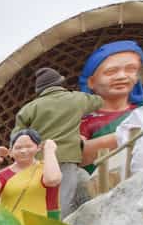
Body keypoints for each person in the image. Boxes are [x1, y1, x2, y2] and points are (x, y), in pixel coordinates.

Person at [12, 67, 100, 215]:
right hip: (67, 158)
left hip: (39, 162)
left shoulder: (29, 109)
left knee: (42, 198)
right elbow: (99, 101)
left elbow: (16, 138)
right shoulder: (76, 99)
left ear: (40, 89)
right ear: (60, 82)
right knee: (63, 199)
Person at [80, 41, 143, 173]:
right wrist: (125, 137)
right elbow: (76, 155)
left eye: (131, 69)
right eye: (111, 71)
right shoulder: (82, 120)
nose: (122, 76)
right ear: (91, 82)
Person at [0, 130, 62, 220]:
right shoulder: (4, 175)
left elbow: (52, 179)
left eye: (29, 146)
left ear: (38, 148)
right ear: (11, 152)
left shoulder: (46, 169)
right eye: (18, 148)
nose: (23, 151)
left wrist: (49, 150)